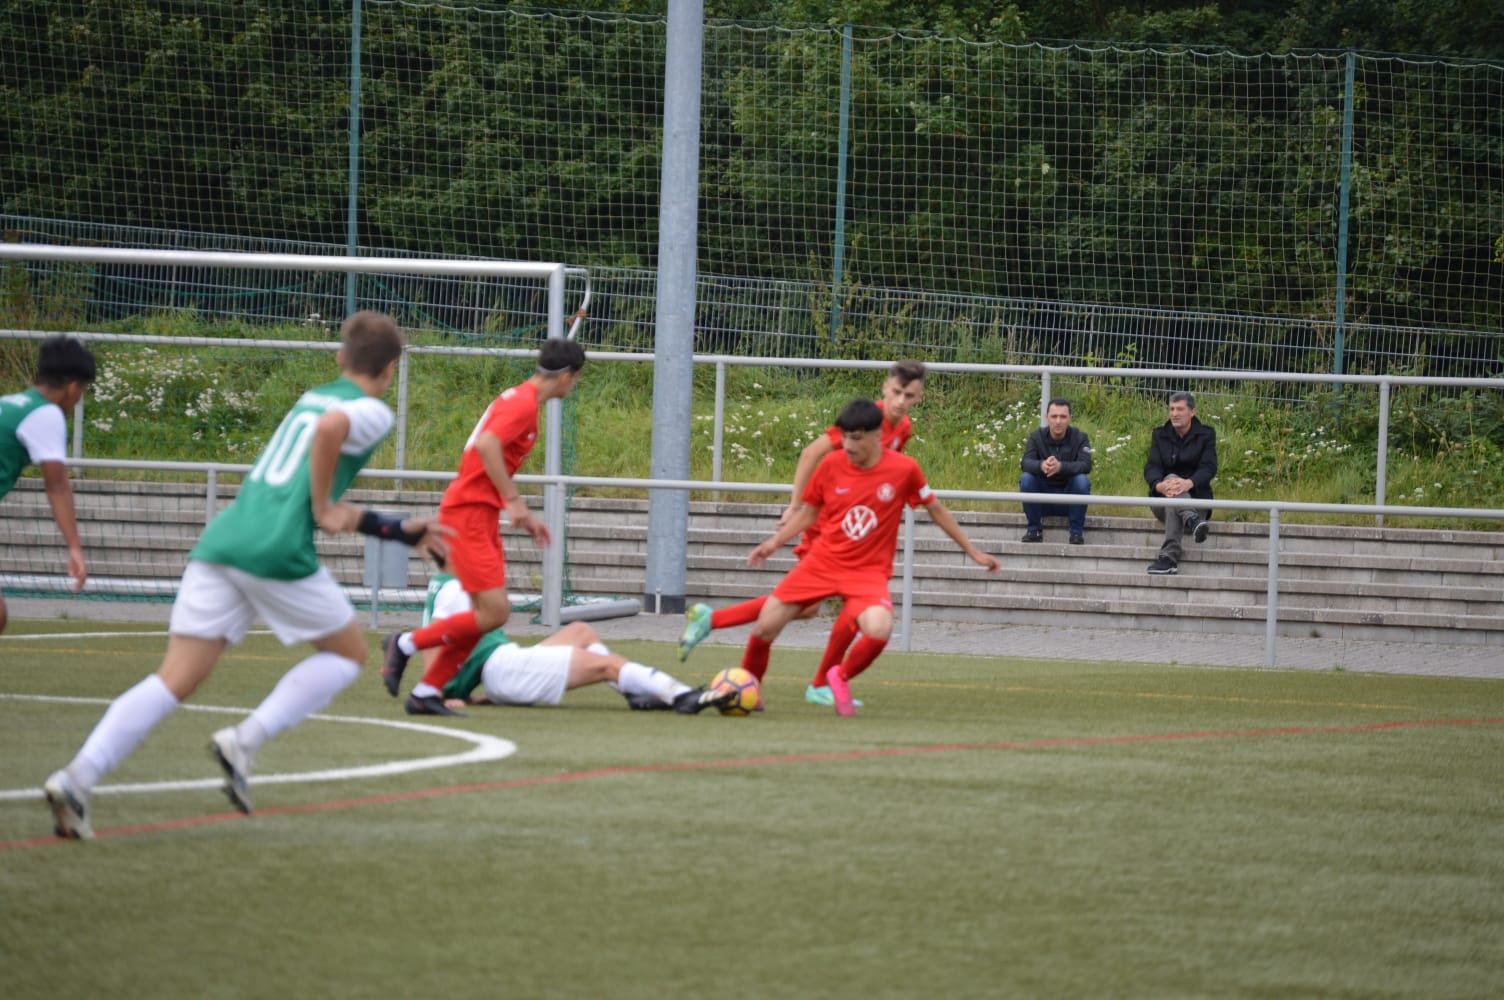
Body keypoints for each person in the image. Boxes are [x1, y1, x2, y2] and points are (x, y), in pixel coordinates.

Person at [43, 311, 451, 840]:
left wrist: (392, 529)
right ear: (391, 368)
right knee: (347, 654)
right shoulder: (370, 410)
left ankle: (77, 777)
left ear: (339, 357)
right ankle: (246, 740)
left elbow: (313, 480)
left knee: (175, 678)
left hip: (226, 538)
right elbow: (330, 445)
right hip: (276, 549)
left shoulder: (313, 396)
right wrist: (325, 506)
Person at [678, 360, 927, 709]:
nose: (901, 401)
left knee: (833, 607)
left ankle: (820, 680)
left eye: (909, 395)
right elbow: (812, 452)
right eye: (897, 392)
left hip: (856, 527)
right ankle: (721, 625)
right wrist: (796, 506)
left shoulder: (903, 428)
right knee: (809, 607)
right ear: (886, 388)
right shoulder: (863, 420)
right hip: (829, 524)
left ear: (919, 396)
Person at [740, 398, 999, 717]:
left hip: (866, 572)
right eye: (845, 437)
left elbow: (936, 509)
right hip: (822, 564)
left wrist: (972, 551)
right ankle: (747, 689)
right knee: (765, 626)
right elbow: (809, 513)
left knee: (879, 628)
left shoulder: (904, 469)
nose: (848, 445)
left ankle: (839, 676)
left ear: (877, 436)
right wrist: (773, 543)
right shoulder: (831, 465)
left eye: (856, 438)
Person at [381, 338, 587, 716]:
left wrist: (516, 510)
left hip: (479, 513)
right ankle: (405, 644)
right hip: (470, 514)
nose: (573, 387)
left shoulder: (518, 398)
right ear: (566, 377)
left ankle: (426, 691)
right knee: (493, 612)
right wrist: (513, 500)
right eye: (575, 380)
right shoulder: (524, 404)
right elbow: (488, 445)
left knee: (484, 615)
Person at [418, 571, 730, 714]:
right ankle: (681, 695)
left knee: (581, 631)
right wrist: (436, 694)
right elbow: (434, 637)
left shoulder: (448, 581)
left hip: (503, 666)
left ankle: (635, 693)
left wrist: (464, 694)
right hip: (503, 669)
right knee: (608, 665)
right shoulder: (455, 584)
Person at [0, 335, 96, 633]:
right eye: (83, 392)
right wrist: (75, 548)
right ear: (73, 387)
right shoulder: (46, 413)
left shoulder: (10, 403)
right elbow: (57, 486)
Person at [1144, 390, 1218, 575]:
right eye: (1171, 409)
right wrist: (1159, 486)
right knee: (1171, 483)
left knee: (1174, 497)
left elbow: (1208, 467)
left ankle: (1168, 558)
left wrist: (1189, 483)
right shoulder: (1160, 434)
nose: (1174, 413)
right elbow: (1152, 467)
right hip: (1163, 499)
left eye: (1180, 409)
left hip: (1197, 501)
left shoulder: (1206, 434)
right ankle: (1192, 521)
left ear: (1192, 412)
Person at [1019, 397, 1093, 544]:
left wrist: (1061, 467)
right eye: (1054, 416)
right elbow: (1025, 463)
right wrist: (1042, 465)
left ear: (1070, 418)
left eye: (1063, 417)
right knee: (1026, 478)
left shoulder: (1080, 437)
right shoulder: (1036, 437)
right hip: (1042, 500)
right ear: (1046, 417)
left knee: (1082, 481)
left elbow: (1086, 465)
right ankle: (1034, 530)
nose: (1058, 421)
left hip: (1070, 500)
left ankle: (1076, 533)